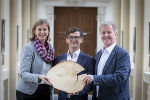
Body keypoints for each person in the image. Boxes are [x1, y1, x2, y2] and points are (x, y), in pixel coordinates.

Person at [83, 21, 131, 100]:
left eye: (109, 32)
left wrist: (95, 78)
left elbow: (120, 77)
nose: (106, 35)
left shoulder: (122, 54)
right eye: (103, 32)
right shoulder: (99, 54)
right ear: (100, 35)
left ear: (115, 34)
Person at [16, 19, 54, 100]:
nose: (42, 32)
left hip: (46, 90)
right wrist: (38, 77)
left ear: (48, 31)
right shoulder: (29, 48)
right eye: (39, 29)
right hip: (28, 92)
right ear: (34, 31)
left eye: (45, 29)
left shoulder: (51, 49)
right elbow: (23, 74)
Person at [56, 27, 95, 100]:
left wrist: (78, 91)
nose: (74, 40)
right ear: (67, 40)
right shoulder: (59, 59)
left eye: (77, 37)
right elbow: (55, 78)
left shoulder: (89, 60)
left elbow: (91, 83)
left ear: (81, 40)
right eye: (71, 37)